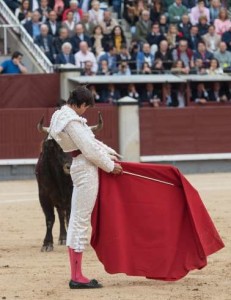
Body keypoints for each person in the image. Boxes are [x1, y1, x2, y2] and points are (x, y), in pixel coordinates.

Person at [48, 85, 123, 289]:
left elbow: (91, 142)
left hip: (80, 165)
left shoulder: (61, 116)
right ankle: (77, 276)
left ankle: (77, 273)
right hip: (85, 168)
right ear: (79, 104)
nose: (85, 111)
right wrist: (109, 166)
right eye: (85, 107)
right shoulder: (71, 121)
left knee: (77, 219)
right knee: (80, 220)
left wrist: (112, 154)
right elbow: (89, 149)